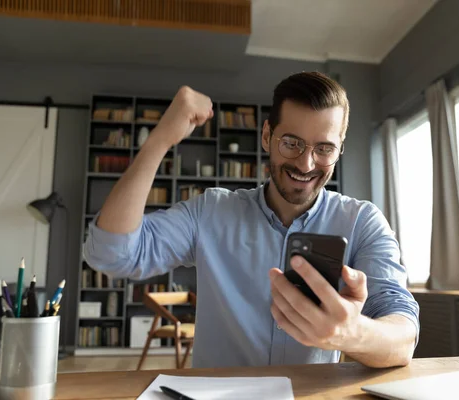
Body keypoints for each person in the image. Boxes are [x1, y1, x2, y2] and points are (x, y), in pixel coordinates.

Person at [83, 71, 420, 369]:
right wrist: (160, 141)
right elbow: (111, 254)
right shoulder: (211, 212)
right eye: (291, 143)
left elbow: (403, 338)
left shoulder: (362, 222)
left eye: (323, 149)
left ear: (340, 149)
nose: (306, 164)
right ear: (266, 136)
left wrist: (352, 333)